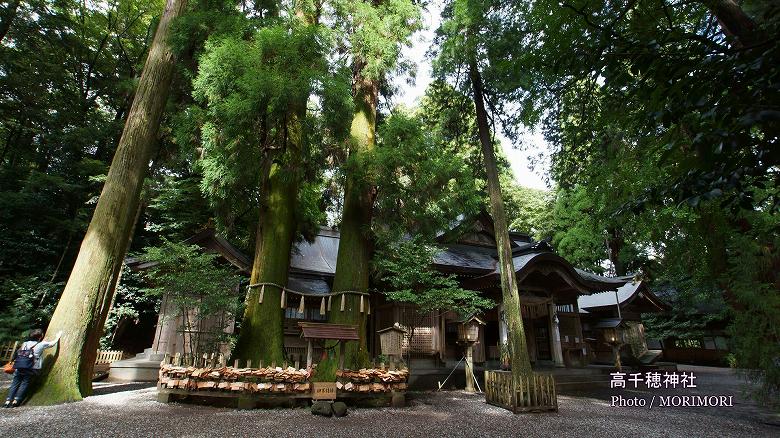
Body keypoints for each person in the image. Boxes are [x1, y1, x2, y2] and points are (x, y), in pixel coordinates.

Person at [4, 329, 62, 408]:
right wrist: (58, 337)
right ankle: (16, 401)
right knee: (24, 383)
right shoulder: (41, 344)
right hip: (31, 367)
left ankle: (7, 401)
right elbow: (52, 344)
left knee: (15, 383)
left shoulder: (25, 343)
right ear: (41, 336)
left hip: (19, 366)